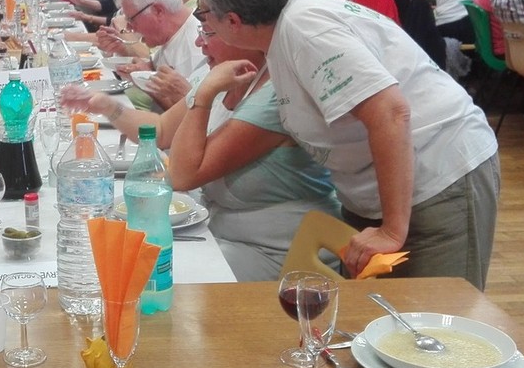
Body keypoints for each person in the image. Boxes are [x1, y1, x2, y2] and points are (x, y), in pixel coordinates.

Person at [198, 0, 500, 294]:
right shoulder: (285, 31)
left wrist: (391, 230)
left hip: (438, 175)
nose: (202, 27)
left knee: (435, 310)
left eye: (203, 15)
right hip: (386, 189)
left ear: (232, 20)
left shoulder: (304, 29)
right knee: (380, 312)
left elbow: (390, 112)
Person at [63, 23, 339, 281]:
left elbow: (181, 176)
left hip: (280, 256)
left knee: (140, 275)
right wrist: (106, 105)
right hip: (224, 236)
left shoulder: (272, 95)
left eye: (208, 32)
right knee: (121, 260)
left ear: (240, 30)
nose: (198, 42)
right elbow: (160, 129)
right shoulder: (220, 75)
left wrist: (204, 95)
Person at [114, 0, 206, 110]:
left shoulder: (197, 46)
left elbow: (188, 113)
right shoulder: (172, 34)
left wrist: (148, 83)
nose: (130, 28)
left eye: (131, 20)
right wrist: (144, 68)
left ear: (158, 11)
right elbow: (155, 65)